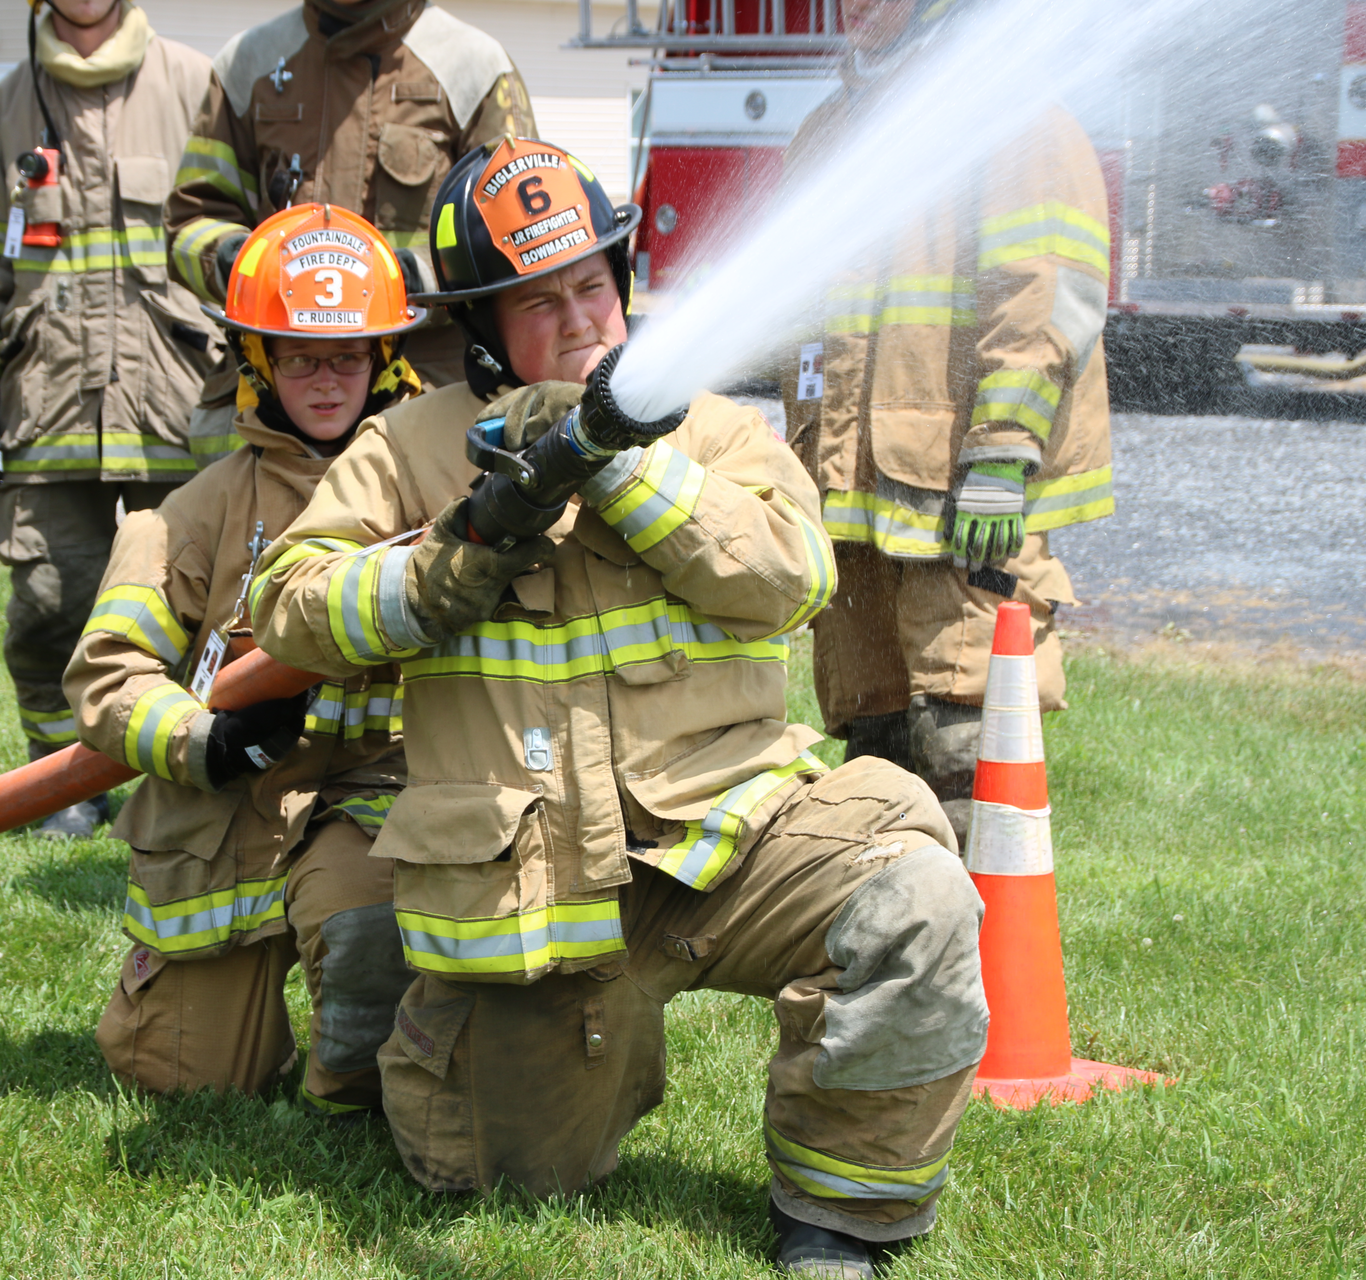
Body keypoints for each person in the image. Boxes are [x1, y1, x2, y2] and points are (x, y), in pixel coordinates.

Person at [249, 139, 988, 1277]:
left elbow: (793, 577)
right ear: (482, 329)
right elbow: (289, 608)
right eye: (540, 301)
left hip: (731, 840)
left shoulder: (712, 426)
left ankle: (841, 1217)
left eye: (592, 281)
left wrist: (616, 465)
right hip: (535, 887)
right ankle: (423, 1017)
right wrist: (458, 552)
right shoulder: (404, 450)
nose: (581, 316)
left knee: (915, 891)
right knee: (498, 1176)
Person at [67, 204, 424, 1111]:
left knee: (364, 931)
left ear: (384, 358)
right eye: (298, 355)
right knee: (187, 1084)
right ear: (256, 359)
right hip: (230, 821)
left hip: (382, 794)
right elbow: (108, 676)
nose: (326, 379)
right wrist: (203, 742)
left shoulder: (439, 477)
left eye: (347, 355)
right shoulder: (195, 513)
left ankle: (359, 1093)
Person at [781, 0, 1115, 842]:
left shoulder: (1005, 113)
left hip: (963, 508)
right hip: (852, 512)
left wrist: (1003, 455)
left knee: (963, 738)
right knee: (873, 752)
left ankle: (986, 960)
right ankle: (890, 956)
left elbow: (1044, 299)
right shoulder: (830, 129)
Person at [0, 0, 220, 838]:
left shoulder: (197, 84)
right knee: (46, 604)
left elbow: (232, 237)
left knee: (189, 602)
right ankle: (59, 783)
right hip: (48, 402)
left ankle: (177, 766)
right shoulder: (2, 108)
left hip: (179, 400)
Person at [164, 0, 537, 461]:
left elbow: (518, 241)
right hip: (270, 421)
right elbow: (189, 223)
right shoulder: (250, 62)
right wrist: (245, 267)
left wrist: (405, 283)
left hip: (422, 412)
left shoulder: (473, 68)